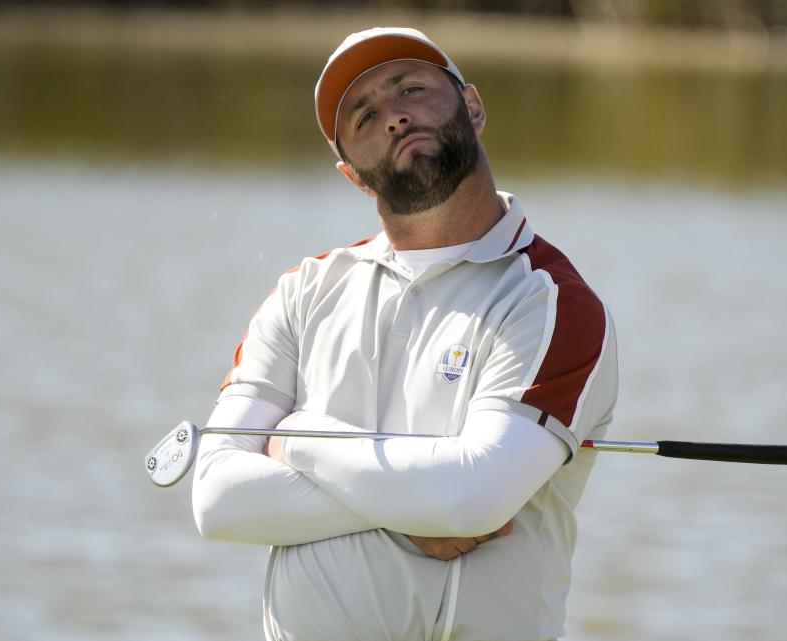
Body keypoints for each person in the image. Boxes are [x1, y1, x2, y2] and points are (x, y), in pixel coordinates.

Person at [191, 26, 618, 641]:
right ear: (353, 176)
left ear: (472, 105)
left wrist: (294, 439)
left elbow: (470, 499)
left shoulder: (550, 300)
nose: (393, 117)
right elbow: (217, 499)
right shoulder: (302, 292)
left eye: (411, 90)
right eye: (364, 116)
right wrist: (417, 505)